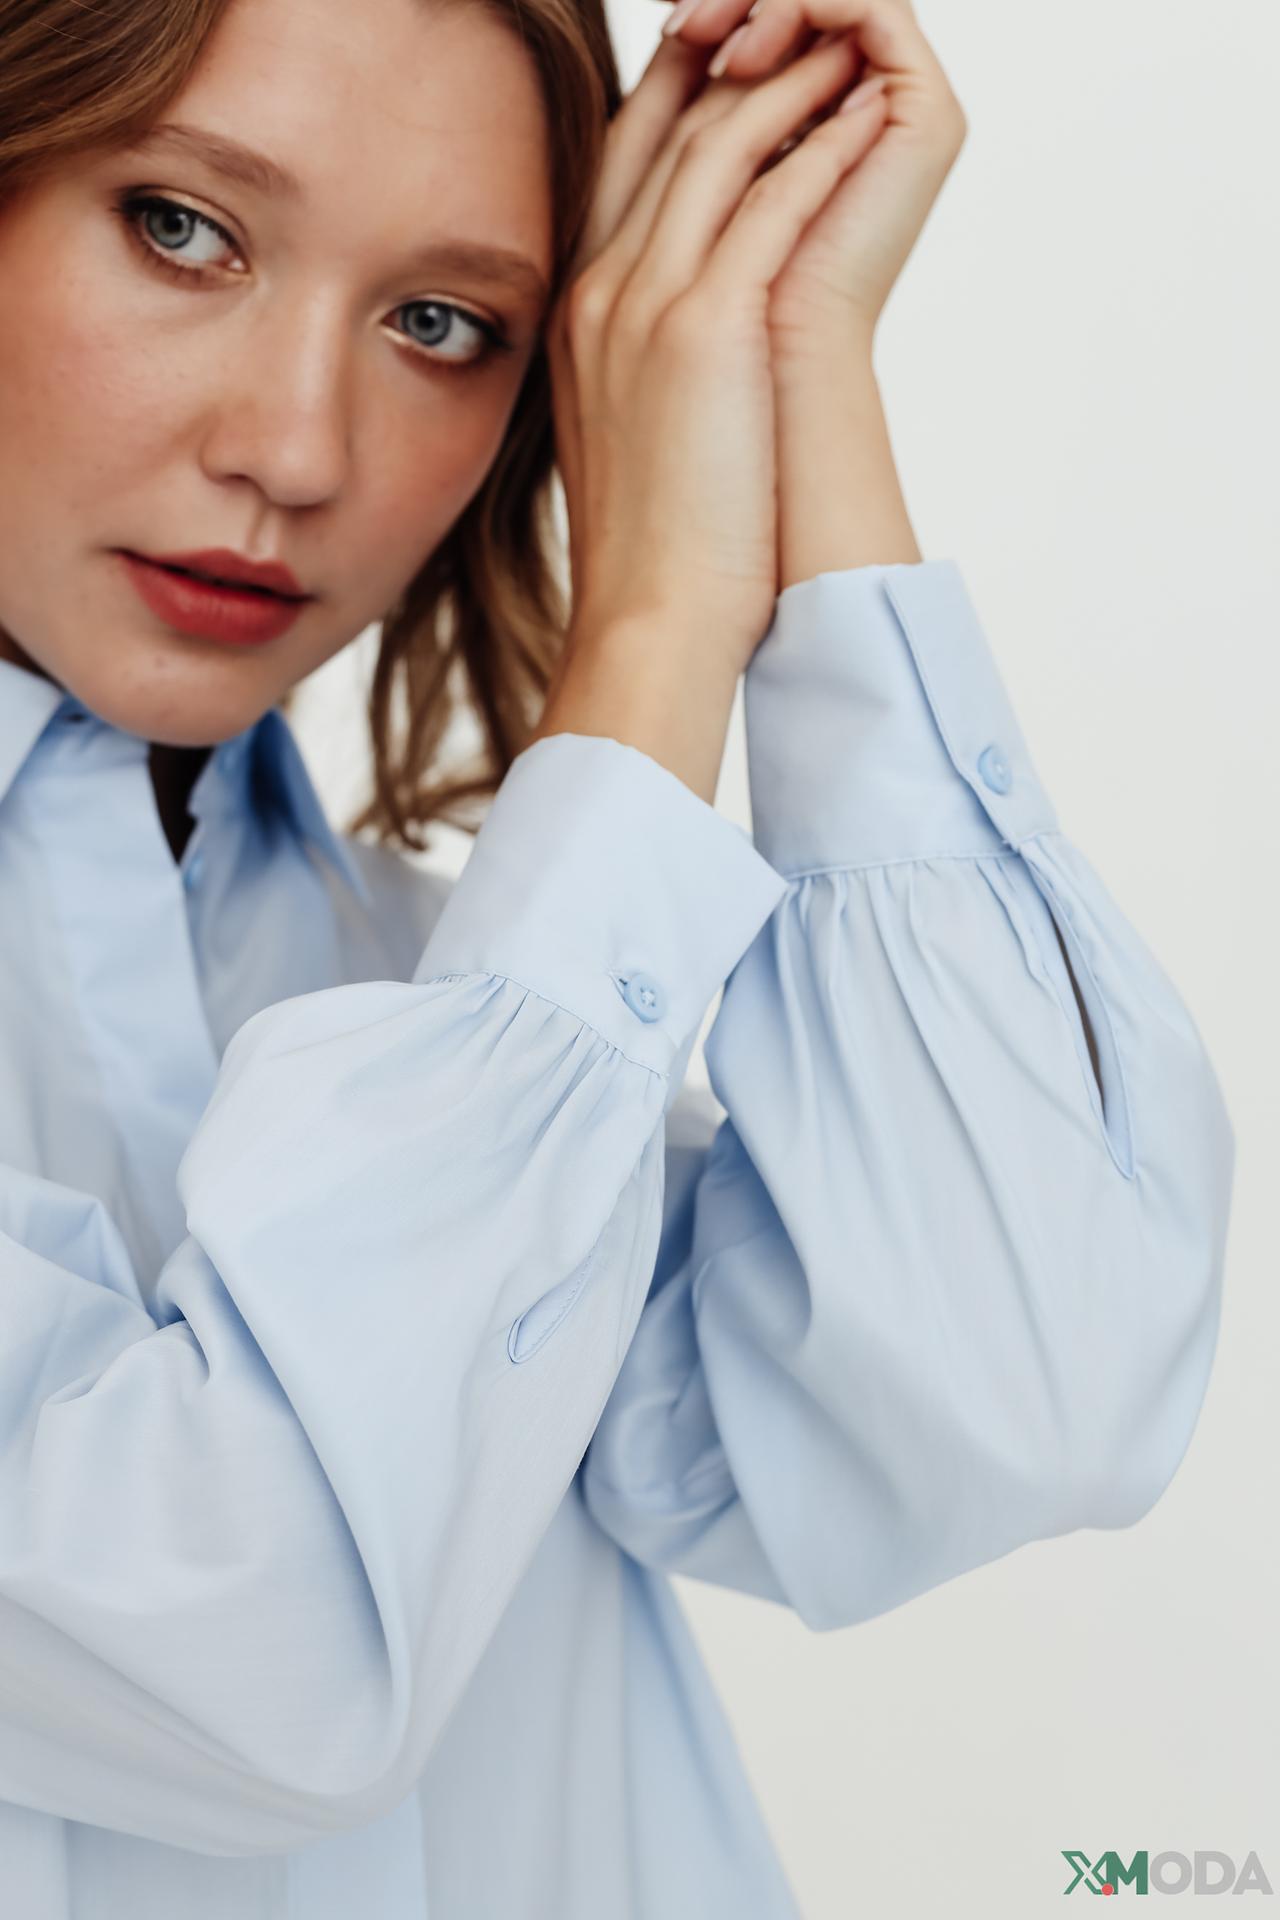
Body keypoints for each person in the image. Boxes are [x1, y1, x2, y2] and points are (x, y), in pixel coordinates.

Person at [0, 0, 1235, 1913]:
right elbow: (251, 1643)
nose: (298, 449)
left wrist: (788, 362)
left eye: (442, 323)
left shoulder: (465, 1012)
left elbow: (1019, 1394)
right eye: (184, 229)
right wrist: (652, 636)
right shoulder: (517, 1037)